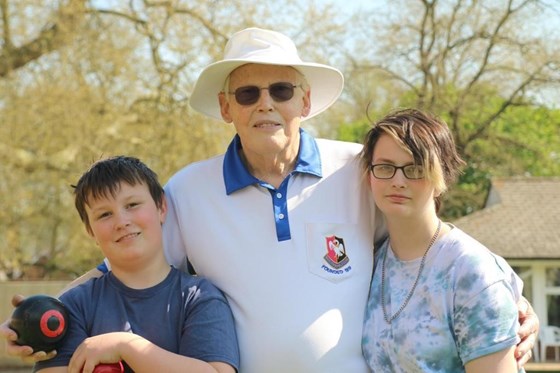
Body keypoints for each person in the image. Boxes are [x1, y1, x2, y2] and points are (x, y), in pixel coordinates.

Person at [1, 28, 538, 372]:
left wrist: (511, 301)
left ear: (304, 100)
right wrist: (44, 308)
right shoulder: (188, 190)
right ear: (225, 107)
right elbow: (117, 261)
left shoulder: (362, 169)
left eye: (281, 90)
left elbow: (432, 240)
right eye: (248, 93)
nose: (266, 105)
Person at [33, 156, 239, 373]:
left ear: (161, 207)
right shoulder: (74, 306)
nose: (122, 222)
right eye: (105, 214)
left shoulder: (200, 298)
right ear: (90, 230)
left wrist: (126, 347)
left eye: (132, 205)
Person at [360, 108, 524, 372]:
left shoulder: (472, 272)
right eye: (385, 167)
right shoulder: (370, 261)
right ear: (370, 175)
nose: (398, 180)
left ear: (442, 177)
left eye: (415, 168)